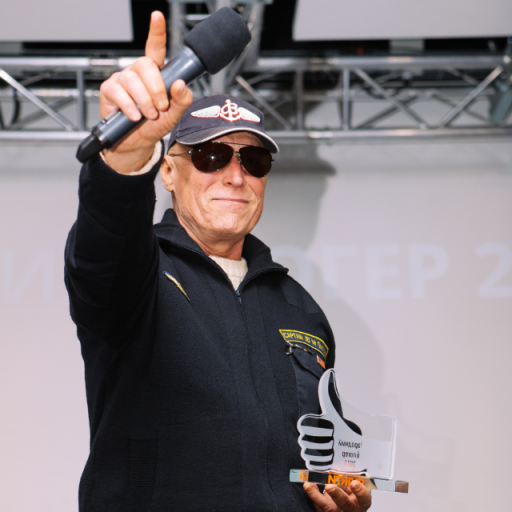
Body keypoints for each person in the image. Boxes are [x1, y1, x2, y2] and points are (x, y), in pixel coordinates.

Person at [64, 11, 372, 512]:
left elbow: (325, 452)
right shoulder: (136, 273)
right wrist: (124, 160)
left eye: (254, 160)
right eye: (210, 156)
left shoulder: (301, 308)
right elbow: (105, 240)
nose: (235, 176)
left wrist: (343, 493)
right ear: (168, 172)